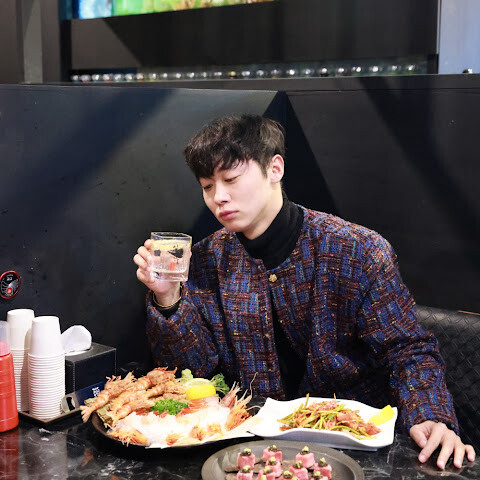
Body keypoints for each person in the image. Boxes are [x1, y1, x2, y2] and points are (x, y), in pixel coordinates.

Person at [134, 114, 475, 469]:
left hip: (353, 445)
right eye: (207, 186)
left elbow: (408, 350)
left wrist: (430, 415)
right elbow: (193, 375)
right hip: (252, 449)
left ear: (274, 169)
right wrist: (168, 298)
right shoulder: (206, 260)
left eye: (231, 179)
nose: (219, 197)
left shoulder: (355, 250)